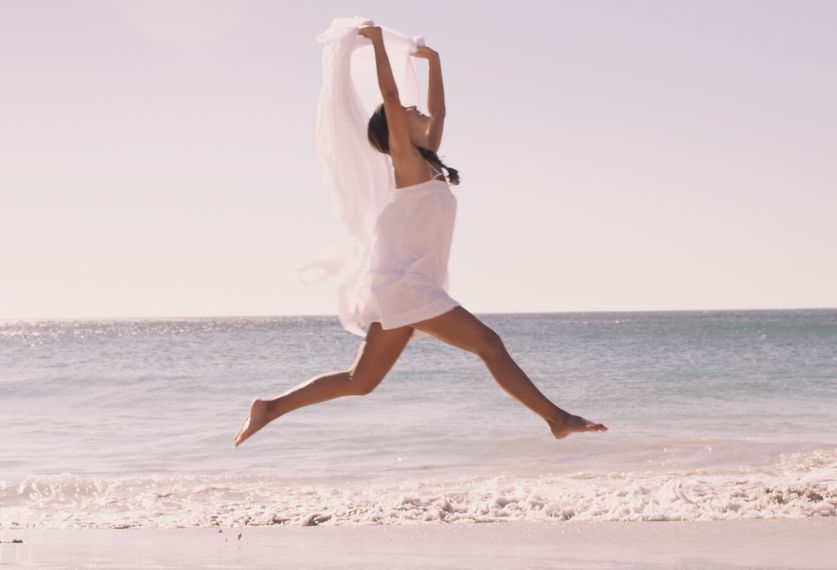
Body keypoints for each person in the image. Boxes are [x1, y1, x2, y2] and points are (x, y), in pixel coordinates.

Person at [233, 24, 607, 447]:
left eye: (414, 109)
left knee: (361, 381)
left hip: (406, 285)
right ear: (395, 134)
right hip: (407, 286)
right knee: (489, 344)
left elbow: (441, 112)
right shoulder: (407, 165)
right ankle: (556, 418)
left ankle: (271, 407)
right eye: (408, 112)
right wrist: (376, 44)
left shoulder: (427, 166)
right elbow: (391, 98)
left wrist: (437, 64)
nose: (415, 110)